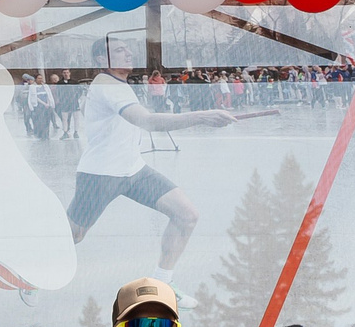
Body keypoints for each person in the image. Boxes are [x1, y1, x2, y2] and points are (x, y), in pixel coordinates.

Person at [68, 56, 238, 265]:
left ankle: (163, 281)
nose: (128, 53)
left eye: (128, 48)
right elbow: (147, 121)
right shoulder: (107, 84)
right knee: (72, 236)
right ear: (102, 58)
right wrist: (202, 116)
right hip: (100, 174)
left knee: (186, 215)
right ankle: (28, 274)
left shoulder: (114, 85)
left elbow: (90, 110)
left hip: (134, 170)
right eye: (120, 50)